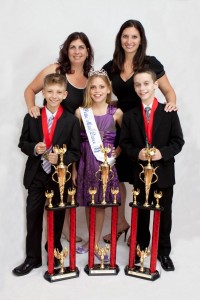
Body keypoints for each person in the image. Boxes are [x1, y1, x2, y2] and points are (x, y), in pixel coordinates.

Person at [102, 19, 178, 245]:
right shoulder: (110, 66)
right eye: (125, 36)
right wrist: (112, 109)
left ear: (141, 40)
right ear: (119, 39)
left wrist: (170, 108)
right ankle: (122, 224)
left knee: (140, 178)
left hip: (143, 126)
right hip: (120, 126)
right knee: (118, 177)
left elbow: (168, 91)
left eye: (134, 36)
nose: (129, 41)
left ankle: (146, 237)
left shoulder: (150, 63)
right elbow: (107, 96)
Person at [24, 32, 94, 242]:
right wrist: (32, 109)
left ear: (87, 51)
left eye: (81, 47)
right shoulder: (56, 70)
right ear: (67, 49)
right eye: (72, 47)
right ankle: (46, 246)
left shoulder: (90, 79)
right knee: (43, 198)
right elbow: (30, 89)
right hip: (47, 138)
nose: (77, 51)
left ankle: (58, 240)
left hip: (73, 140)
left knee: (64, 191)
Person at [12, 73, 81, 276]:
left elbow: (75, 152)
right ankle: (32, 258)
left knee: (57, 215)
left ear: (65, 94)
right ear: (43, 92)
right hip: (36, 175)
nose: (53, 95)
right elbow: (22, 143)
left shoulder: (70, 121)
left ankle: (53, 249)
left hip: (59, 177)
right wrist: (34, 148)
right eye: (50, 91)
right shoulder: (32, 116)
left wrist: (60, 159)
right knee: (33, 215)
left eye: (58, 92)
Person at [119, 68, 184, 271]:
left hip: (163, 173)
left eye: (146, 84)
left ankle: (163, 252)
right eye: (138, 85)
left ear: (155, 85)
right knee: (141, 213)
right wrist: (137, 153)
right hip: (140, 174)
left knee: (164, 215)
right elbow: (126, 143)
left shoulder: (169, 112)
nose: (142, 88)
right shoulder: (130, 116)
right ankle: (140, 250)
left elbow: (178, 142)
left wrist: (161, 153)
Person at [74, 70, 123, 261]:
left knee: (101, 203)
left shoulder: (116, 113)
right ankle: (91, 239)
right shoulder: (81, 113)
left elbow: (126, 139)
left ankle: (94, 241)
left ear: (108, 89)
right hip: (86, 160)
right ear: (88, 90)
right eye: (93, 87)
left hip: (105, 164)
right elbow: (74, 143)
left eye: (101, 87)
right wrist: (74, 168)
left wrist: (115, 154)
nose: (97, 90)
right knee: (88, 201)